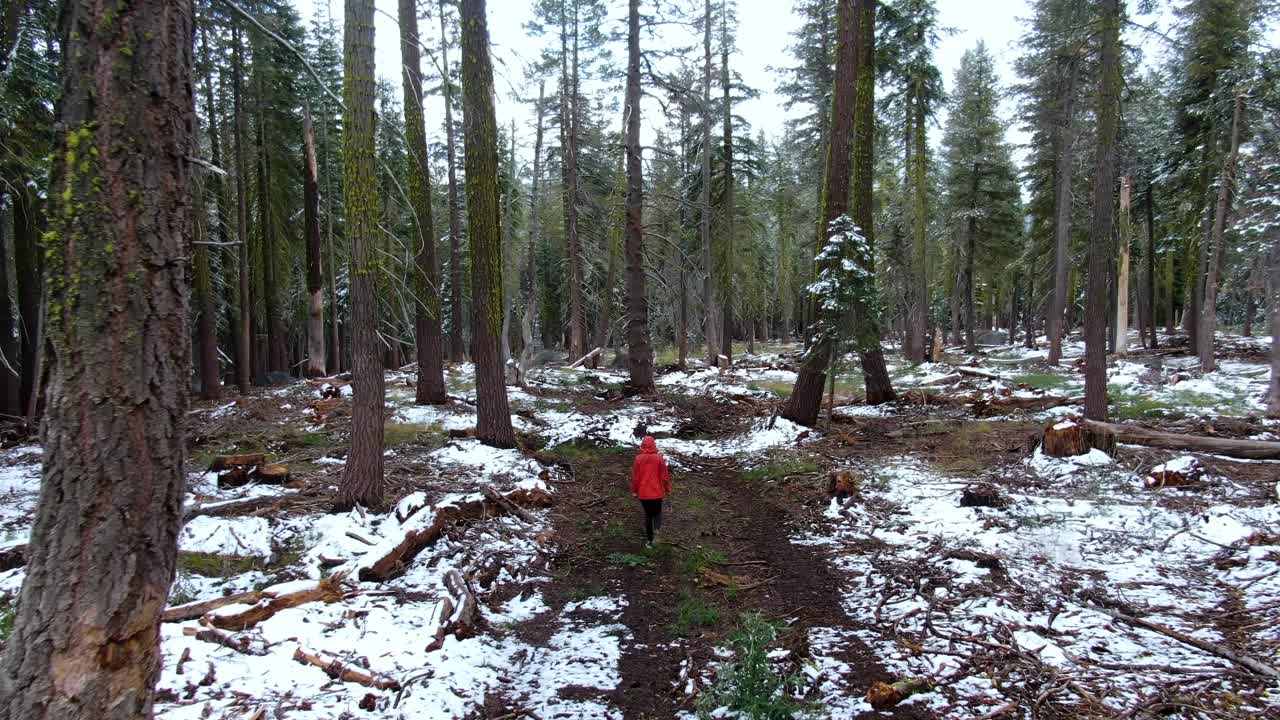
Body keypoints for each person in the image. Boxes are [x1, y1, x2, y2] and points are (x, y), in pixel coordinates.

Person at [631, 435, 671, 546]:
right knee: (657, 513)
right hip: (657, 493)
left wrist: (634, 490)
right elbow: (665, 476)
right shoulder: (659, 458)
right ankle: (657, 531)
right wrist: (667, 489)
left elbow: (636, 478)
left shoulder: (638, 459)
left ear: (642, 445)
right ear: (654, 445)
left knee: (648, 515)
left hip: (644, 494)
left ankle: (649, 540)